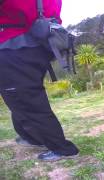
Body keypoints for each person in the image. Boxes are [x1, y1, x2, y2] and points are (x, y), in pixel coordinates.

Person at [0, 0, 79, 161]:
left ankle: (62, 149)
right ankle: (32, 137)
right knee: (20, 96)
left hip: (15, 47)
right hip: (38, 46)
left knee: (25, 98)